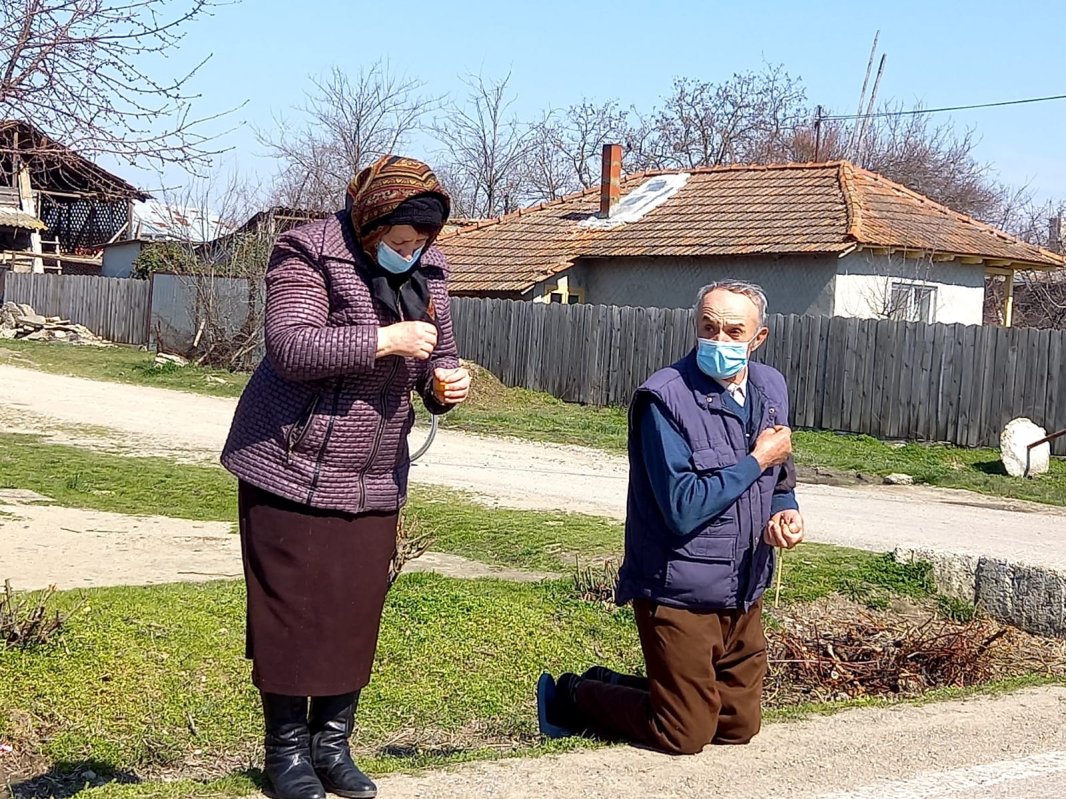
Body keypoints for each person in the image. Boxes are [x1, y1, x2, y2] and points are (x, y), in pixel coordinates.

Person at [221, 155, 470, 799]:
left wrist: (444, 386)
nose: (409, 254)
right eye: (399, 242)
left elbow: (436, 357)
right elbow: (291, 347)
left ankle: (331, 748)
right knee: (289, 611)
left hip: (374, 472)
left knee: (354, 612)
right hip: (289, 461)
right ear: (370, 224)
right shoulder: (308, 251)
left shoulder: (430, 271)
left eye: (420, 244)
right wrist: (383, 341)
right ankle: (285, 754)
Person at [537, 280, 802, 755]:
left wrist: (785, 510)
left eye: (733, 331)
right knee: (684, 733)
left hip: (744, 583)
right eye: (709, 327)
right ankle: (573, 696)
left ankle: (636, 689)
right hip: (677, 586)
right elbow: (682, 506)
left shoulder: (770, 387)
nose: (718, 340)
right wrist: (756, 460)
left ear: (758, 338)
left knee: (737, 725)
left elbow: (780, 476)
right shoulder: (664, 398)